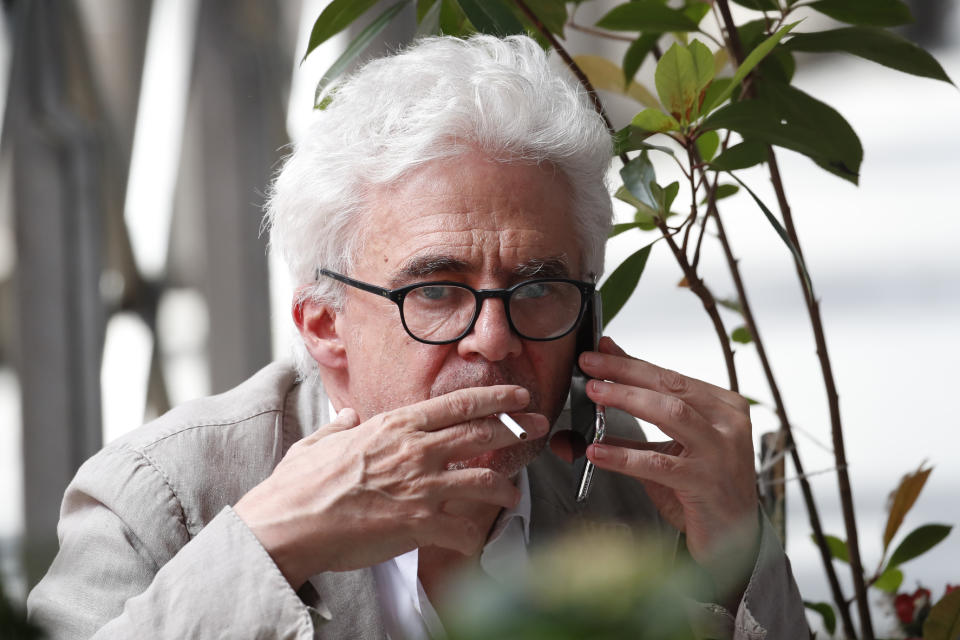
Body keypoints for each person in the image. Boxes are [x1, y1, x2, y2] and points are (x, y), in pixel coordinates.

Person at [28, 35, 807, 638]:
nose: (495, 339)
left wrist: (740, 561)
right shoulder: (163, 497)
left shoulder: (634, 485)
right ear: (325, 327)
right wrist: (269, 546)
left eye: (537, 286)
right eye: (436, 289)